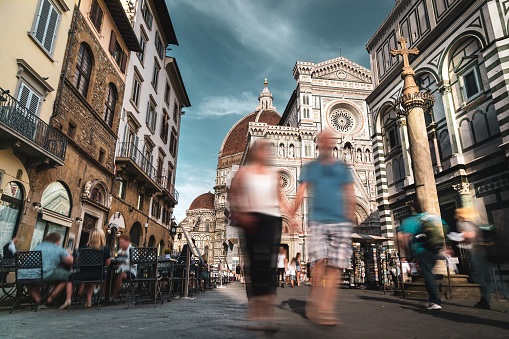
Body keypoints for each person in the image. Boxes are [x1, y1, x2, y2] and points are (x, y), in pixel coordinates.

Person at [291, 129, 356, 326]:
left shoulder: (342, 168)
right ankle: (314, 301)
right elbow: (301, 192)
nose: (327, 143)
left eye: (330, 140)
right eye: (323, 140)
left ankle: (326, 308)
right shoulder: (310, 167)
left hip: (340, 221)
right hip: (318, 220)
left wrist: (350, 215)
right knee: (318, 262)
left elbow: (350, 192)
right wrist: (293, 215)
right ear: (318, 145)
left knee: (336, 266)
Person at [229, 140, 287, 330]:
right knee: (255, 266)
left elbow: (280, 197)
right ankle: (254, 314)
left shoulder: (273, 175)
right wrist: (240, 213)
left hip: (273, 220)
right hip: (251, 219)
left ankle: (268, 315)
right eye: (262, 150)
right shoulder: (244, 173)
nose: (266, 153)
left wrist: (292, 217)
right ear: (253, 153)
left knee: (269, 267)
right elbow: (233, 194)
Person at [455, 207, 508, 310]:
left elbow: (470, 235)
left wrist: (459, 236)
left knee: (483, 279)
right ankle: (485, 301)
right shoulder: (473, 223)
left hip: (477, 254)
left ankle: (488, 299)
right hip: (485, 253)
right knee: (491, 278)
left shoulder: (462, 223)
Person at [398, 200, 443, 310]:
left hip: (422, 251)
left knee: (427, 274)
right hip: (434, 250)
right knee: (428, 273)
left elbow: (403, 237)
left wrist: (404, 249)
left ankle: (435, 301)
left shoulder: (411, 220)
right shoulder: (433, 217)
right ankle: (434, 295)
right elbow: (444, 228)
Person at [17, 233, 73, 306]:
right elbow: (71, 261)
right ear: (57, 241)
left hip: (22, 276)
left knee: (31, 281)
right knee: (69, 276)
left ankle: (39, 302)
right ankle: (49, 300)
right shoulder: (56, 248)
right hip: (42, 274)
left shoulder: (38, 247)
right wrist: (68, 254)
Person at [61, 228, 111, 309]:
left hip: (84, 274)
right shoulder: (105, 249)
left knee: (70, 278)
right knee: (91, 281)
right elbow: (107, 263)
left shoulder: (84, 248)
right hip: (99, 274)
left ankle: (68, 299)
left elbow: (79, 261)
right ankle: (88, 301)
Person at [109, 234, 136, 301]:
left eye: (121, 243)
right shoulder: (120, 251)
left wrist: (123, 258)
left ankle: (112, 295)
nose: (120, 245)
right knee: (109, 275)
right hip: (120, 270)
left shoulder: (133, 250)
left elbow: (133, 262)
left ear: (127, 242)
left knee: (120, 275)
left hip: (130, 271)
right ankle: (106, 295)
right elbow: (118, 264)